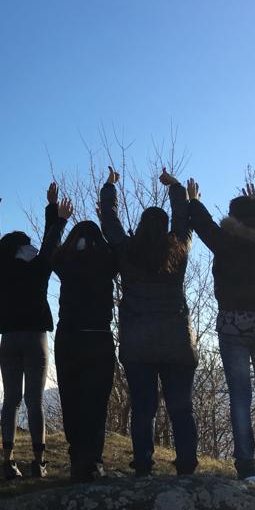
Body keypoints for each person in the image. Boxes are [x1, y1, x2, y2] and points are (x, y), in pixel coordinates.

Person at [188, 179, 255, 492]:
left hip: (233, 323)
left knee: (240, 399)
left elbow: (202, 224)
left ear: (232, 217)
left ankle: (246, 468)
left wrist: (193, 199)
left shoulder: (225, 241)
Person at [100, 166, 199, 477]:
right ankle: (186, 464)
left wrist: (110, 187)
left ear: (141, 226)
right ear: (165, 227)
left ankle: (143, 463)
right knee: (181, 407)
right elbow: (184, 220)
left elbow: (110, 222)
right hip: (177, 344)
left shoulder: (127, 251)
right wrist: (175, 187)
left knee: (143, 407)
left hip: (138, 343)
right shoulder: (178, 250)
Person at [0, 183, 71, 479]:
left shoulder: (1, 272)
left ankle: (8, 461)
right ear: (23, 249)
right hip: (36, 339)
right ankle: (38, 461)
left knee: (10, 400)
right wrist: (56, 214)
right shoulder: (38, 268)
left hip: (9, 341)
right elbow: (50, 243)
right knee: (34, 400)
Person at [52, 216, 118, 483]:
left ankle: (77, 459)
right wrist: (107, 221)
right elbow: (118, 249)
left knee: (72, 400)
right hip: (98, 337)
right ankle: (93, 461)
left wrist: (57, 221)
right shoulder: (106, 261)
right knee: (96, 403)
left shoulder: (64, 262)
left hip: (68, 337)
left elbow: (51, 253)